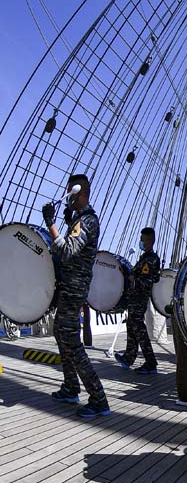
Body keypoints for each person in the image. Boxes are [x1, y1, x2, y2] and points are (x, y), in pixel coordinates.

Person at [42, 174, 111, 418]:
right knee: (62, 334)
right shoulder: (80, 220)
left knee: (72, 342)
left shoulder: (88, 220)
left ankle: (99, 399)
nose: (68, 198)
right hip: (70, 287)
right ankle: (71, 387)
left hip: (74, 289)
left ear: (78, 192)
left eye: (70, 193)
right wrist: (68, 223)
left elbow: (68, 250)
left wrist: (51, 224)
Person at [115, 227, 161, 375]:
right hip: (134, 299)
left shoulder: (151, 260)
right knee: (132, 325)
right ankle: (129, 357)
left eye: (143, 239)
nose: (140, 241)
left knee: (139, 328)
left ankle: (150, 362)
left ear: (150, 241)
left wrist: (131, 277)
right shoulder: (144, 258)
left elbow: (146, 282)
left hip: (139, 298)